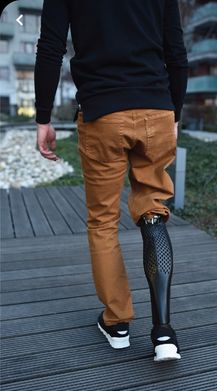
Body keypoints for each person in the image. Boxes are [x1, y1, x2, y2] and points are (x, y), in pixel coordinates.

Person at [35, 0, 189, 362]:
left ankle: (117, 322)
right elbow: (176, 52)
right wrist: (175, 113)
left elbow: (50, 48)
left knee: (103, 221)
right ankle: (164, 332)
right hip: (157, 108)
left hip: (103, 111)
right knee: (153, 209)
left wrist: (44, 117)